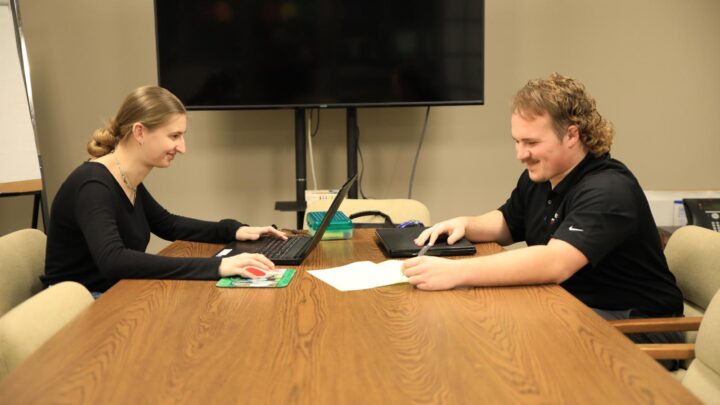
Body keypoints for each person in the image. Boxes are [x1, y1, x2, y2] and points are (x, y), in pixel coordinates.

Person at [402, 73, 683, 367]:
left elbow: (555, 263)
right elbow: (508, 223)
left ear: (572, 135)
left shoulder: (608, 189)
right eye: (517, 141)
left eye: (531, 142)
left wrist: (456, 273)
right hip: (575, 306)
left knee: (506, 345)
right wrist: (466, 223)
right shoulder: (542, 175)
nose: (521, 154)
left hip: (639, 327)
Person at [42, 85, 286, 295]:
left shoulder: (125, 178)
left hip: (112, 293)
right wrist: (217, 267)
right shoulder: (93, 185)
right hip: (80, 306)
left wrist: (233, 229)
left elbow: (168, 225)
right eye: (174, 136)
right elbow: (113, 261)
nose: (182, 147)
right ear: (140, 132)